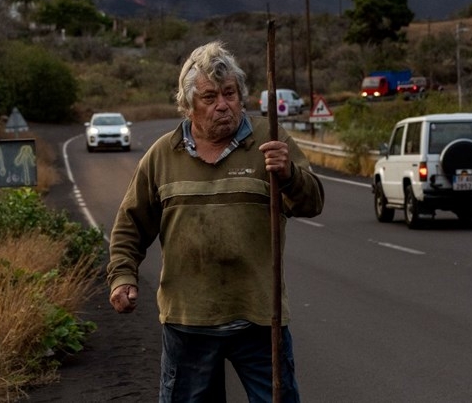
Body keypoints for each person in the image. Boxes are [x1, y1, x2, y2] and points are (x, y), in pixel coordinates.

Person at [107, 40, 325, 402]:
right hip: (188, 322)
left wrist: (288, 174)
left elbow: (312, 202)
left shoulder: (269, 142)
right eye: (210, 97)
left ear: (241, 95)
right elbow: (131, 223)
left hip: (259, 320)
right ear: (189, 105)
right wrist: (122, 276)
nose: (223, 105)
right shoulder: (163, 154)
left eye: (230, 93)